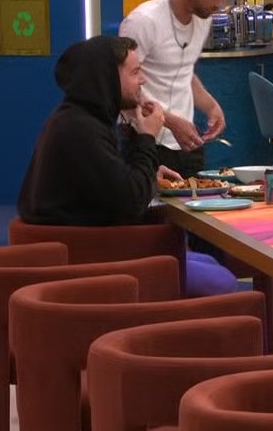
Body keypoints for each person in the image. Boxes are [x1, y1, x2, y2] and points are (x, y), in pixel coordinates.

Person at [17, 36, 236, 296]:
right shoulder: (81, 130)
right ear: (108, 78)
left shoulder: (77, 119)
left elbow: (112, 184)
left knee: (209, 262)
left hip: (84, 245)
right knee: (223, 280)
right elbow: (133, 199)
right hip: (86, 261)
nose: (143, 80)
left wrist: (149, 171)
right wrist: (147, 137)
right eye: (135, 72)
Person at [119, 0, 234, 179]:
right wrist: (170, 122)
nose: (220, 4)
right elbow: (121, 86)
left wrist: (210, 106)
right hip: (144, 141)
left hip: (187, 143)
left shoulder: (203, 19)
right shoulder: (143, 21)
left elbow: (183, 71)